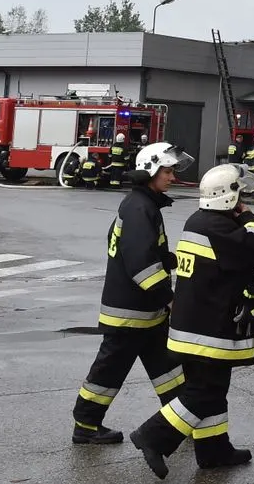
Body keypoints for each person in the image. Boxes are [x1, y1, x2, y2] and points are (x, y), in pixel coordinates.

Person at [130, 162, 254, 478]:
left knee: (211, 389)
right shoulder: (220, 228)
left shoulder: (200, 221)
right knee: (205, 392)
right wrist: (250, 218)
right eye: (239, 195)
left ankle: (214, 449)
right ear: (227, 197)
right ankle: (152, 435)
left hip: (194, 326)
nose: (242, 201)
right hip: (209, 330)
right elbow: (253, 249)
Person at [71, 142, 193, 446]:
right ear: (150, 170)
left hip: (142, 312)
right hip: (131, 313)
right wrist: (170, 297)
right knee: (109, 371)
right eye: (167, 171)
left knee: (168, 368)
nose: (172, 177)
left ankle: (184, 419)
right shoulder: (140, 207)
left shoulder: (142, 204)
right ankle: (85, 426)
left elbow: (137, 250)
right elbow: (140, 264)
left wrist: (170, 260)